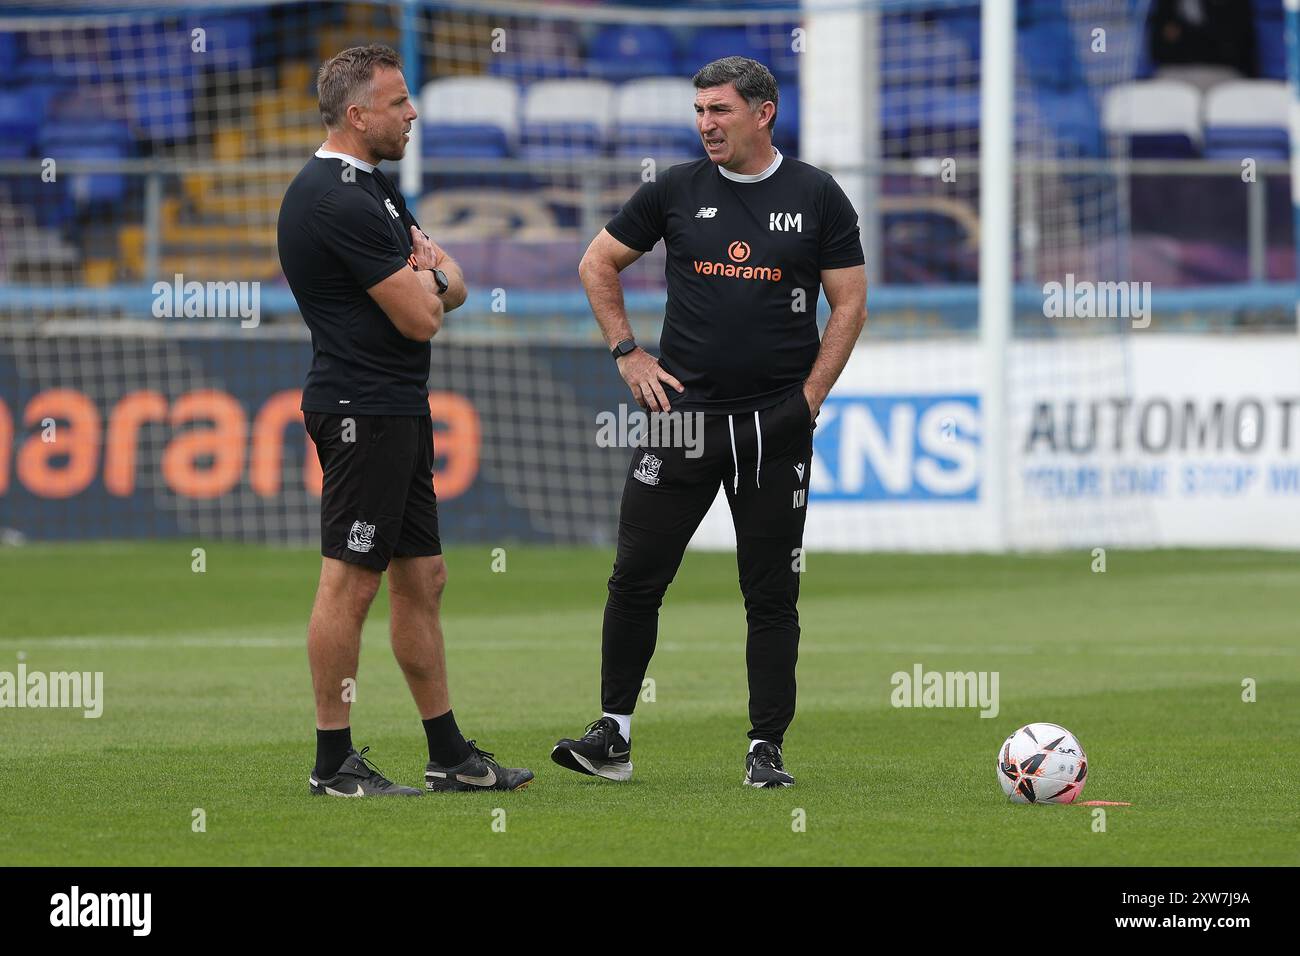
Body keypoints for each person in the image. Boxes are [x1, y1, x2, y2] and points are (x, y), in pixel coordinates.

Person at [551, 57, 867, 788]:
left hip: (773, 422)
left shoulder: (817, 195)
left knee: (769, 592)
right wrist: (628, 353)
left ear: (764, 113)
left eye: (719, 110)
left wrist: (811, 399)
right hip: (679, 419)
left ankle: (765, 748)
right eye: (699, 111)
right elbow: (597, 263)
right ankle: (613, 736)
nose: (705, 125)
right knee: (634, 577)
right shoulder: (673, 189)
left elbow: (849, 304)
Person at [277, 44, 532, 796]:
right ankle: (331, 761)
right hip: (362, 411)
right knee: (350, 582)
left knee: (422, 577)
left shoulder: (372, 189)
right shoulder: (336, 199)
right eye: (398, 102)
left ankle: (448, 754)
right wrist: (432, 276)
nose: (413, 112)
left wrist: (434, 275)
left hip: (395, 407)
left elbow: (452, 282)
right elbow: (426, 313)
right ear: (358, 114)